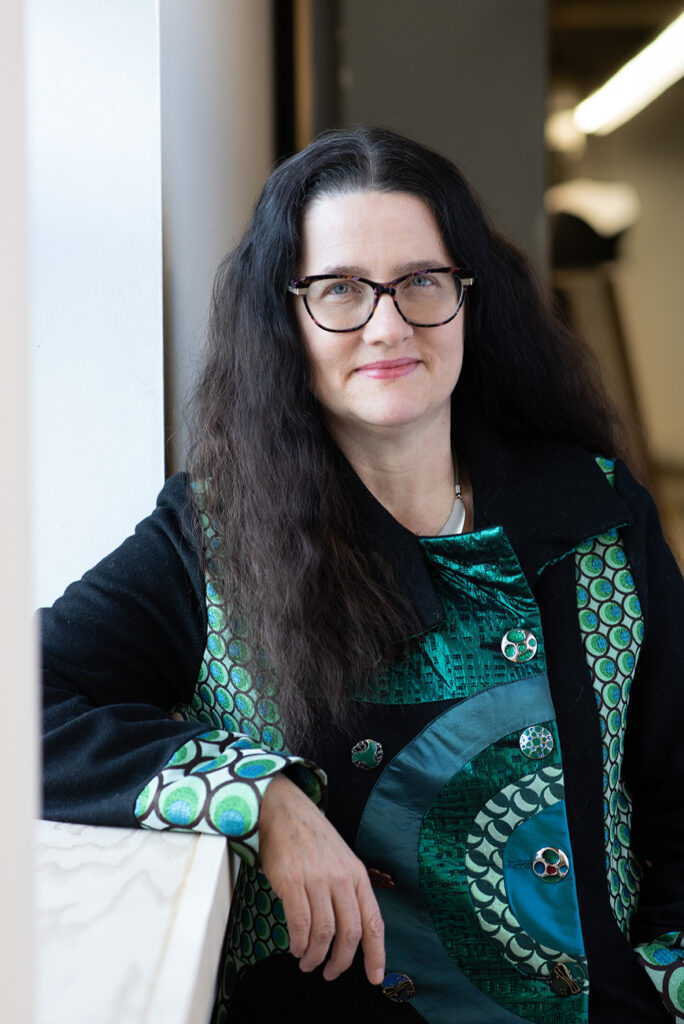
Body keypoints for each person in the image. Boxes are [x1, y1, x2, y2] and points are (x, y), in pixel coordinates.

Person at [42, 126, 684, 1024]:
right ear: (287, 318)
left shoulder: (596, 513)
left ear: (470, 299)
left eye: (422, 280)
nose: (389, 323)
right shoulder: (217, 535)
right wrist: (256, 793)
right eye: (342, 288)